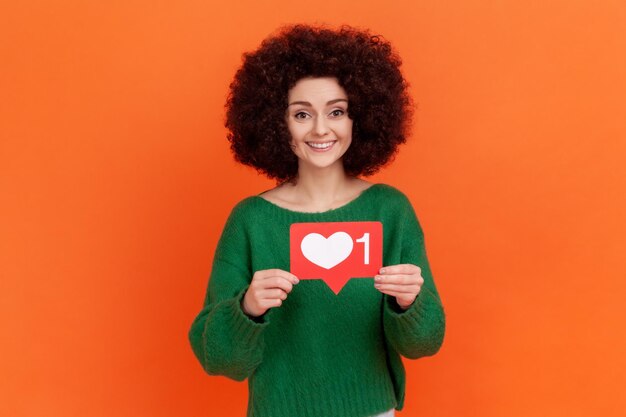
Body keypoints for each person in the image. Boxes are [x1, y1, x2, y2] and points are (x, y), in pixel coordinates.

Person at [188, 23, 446, 417]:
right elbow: (217, 360)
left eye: (337, 111)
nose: (321, 129)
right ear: (277, 122)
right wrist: (247, 308)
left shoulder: (390, 211)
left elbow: (425, 344)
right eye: (302, 114)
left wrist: (410, 304)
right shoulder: (250, 221)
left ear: (360, 118)